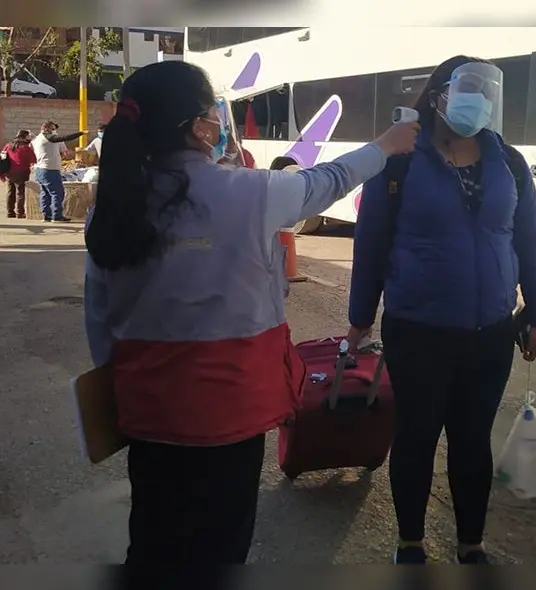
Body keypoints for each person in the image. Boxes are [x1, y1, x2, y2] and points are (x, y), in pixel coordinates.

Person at [82, 60, 419, 566]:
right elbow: (331, 179)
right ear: (199, 127)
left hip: (147, 410)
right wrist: (387, 145)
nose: (220, 124)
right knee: (222, 544)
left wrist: (123, 395)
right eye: (214, 114)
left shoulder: (112, 206)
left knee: (152, 538)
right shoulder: (251, 192)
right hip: (229, 414)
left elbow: (98, 316)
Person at [346, 55, 536, 565]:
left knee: (471, 441)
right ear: (440, 96)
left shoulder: (507, 161)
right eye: (469, 90)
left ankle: (471, 545)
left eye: (487, 93)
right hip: (417, 330)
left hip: (489, 331)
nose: (478, 102)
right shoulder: (399, 159)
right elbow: (371, 242)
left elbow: (529, 238)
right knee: (416, 436)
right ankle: (410, 543)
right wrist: (359, 318)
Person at [31, 121, 86, 223]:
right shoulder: (48, 138)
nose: (54, 132)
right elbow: (64, 138)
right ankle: (57, 216)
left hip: (40, 169)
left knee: (45, 193)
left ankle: (46, 215)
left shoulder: (36, 139)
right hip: (49, 170)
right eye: (52, 129)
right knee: (57, 193)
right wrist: (80, 133)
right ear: (46, 129)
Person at [1, 129, 37, 218]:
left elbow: (2, 156)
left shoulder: (8, 145)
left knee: (10, 192)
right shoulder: (25, 148)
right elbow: (33, 159)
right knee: (20, 193)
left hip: (9, 172)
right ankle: (20, 212)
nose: (29, 138)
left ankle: (10, 212)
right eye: (28, 136)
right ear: (24, 137)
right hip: (22, 172)